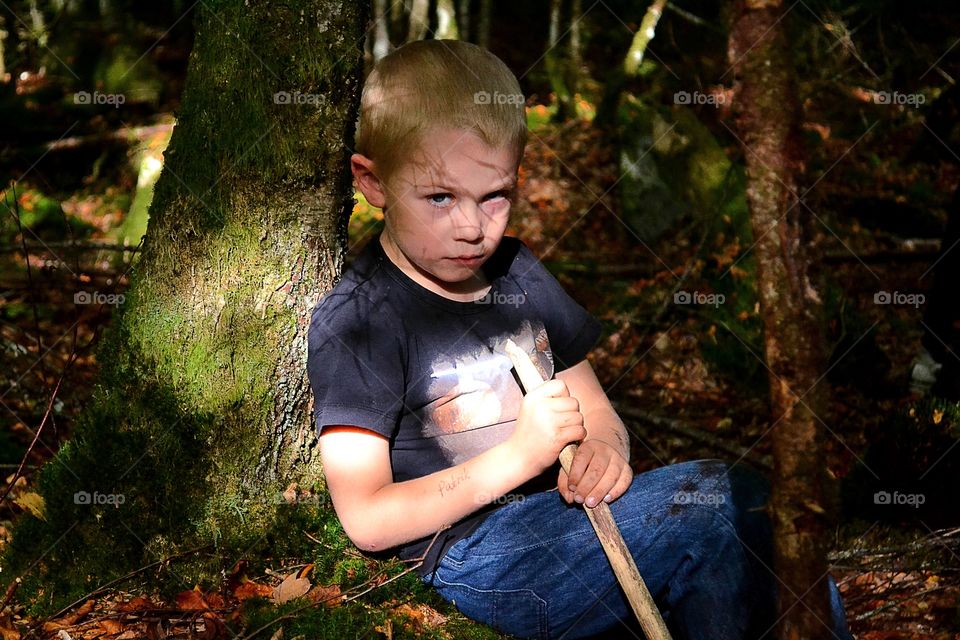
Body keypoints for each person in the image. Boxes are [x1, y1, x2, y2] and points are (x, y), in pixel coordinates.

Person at [307, 39, 853, 640]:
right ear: (372, 181)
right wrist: (521, 457)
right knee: (717, 509)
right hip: (480, 557)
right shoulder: (360, 320)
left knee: (750, 509)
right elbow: (366, 517)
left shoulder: (517, 273)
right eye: (440, 197)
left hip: (573, 523)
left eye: (494, 198)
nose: (471, 228)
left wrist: (608, 451)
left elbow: (598, 412)